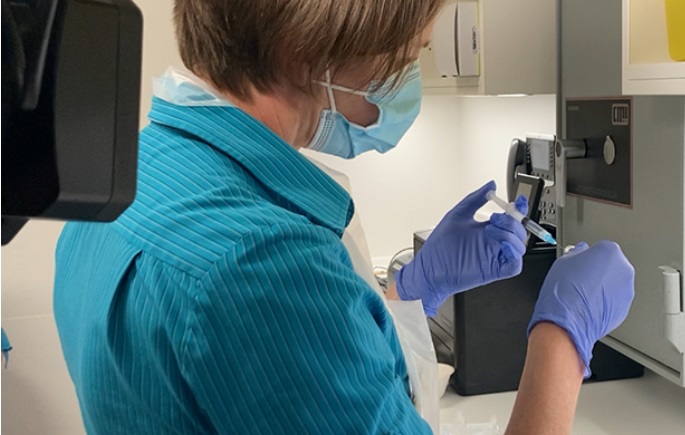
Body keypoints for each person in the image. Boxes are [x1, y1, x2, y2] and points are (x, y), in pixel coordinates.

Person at [53, 1, 635, 434]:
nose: (410, 77)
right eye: (406, 56)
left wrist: (411, 291)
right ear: (310, 50)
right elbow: (273, 324)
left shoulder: (130, 176)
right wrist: (562, 339)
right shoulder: (266, 267)